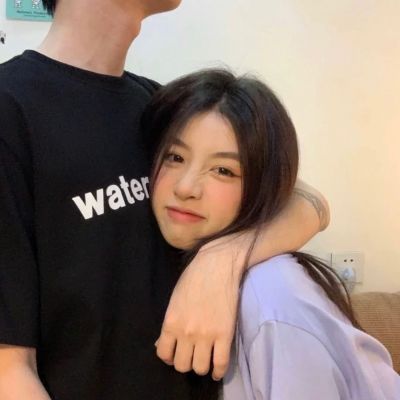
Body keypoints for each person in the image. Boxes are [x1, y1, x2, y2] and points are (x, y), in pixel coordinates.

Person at [0, 1, 329, 399]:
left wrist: (222, 260)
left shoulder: (154, 103)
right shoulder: (11, 109)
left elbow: (307, 202)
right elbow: (9, 373)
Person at [148, 69, 400, 400]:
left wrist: (221, 259)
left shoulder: (272, 299)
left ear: (263, 186)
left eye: (223, 170)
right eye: (175, 157)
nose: (185, 188)